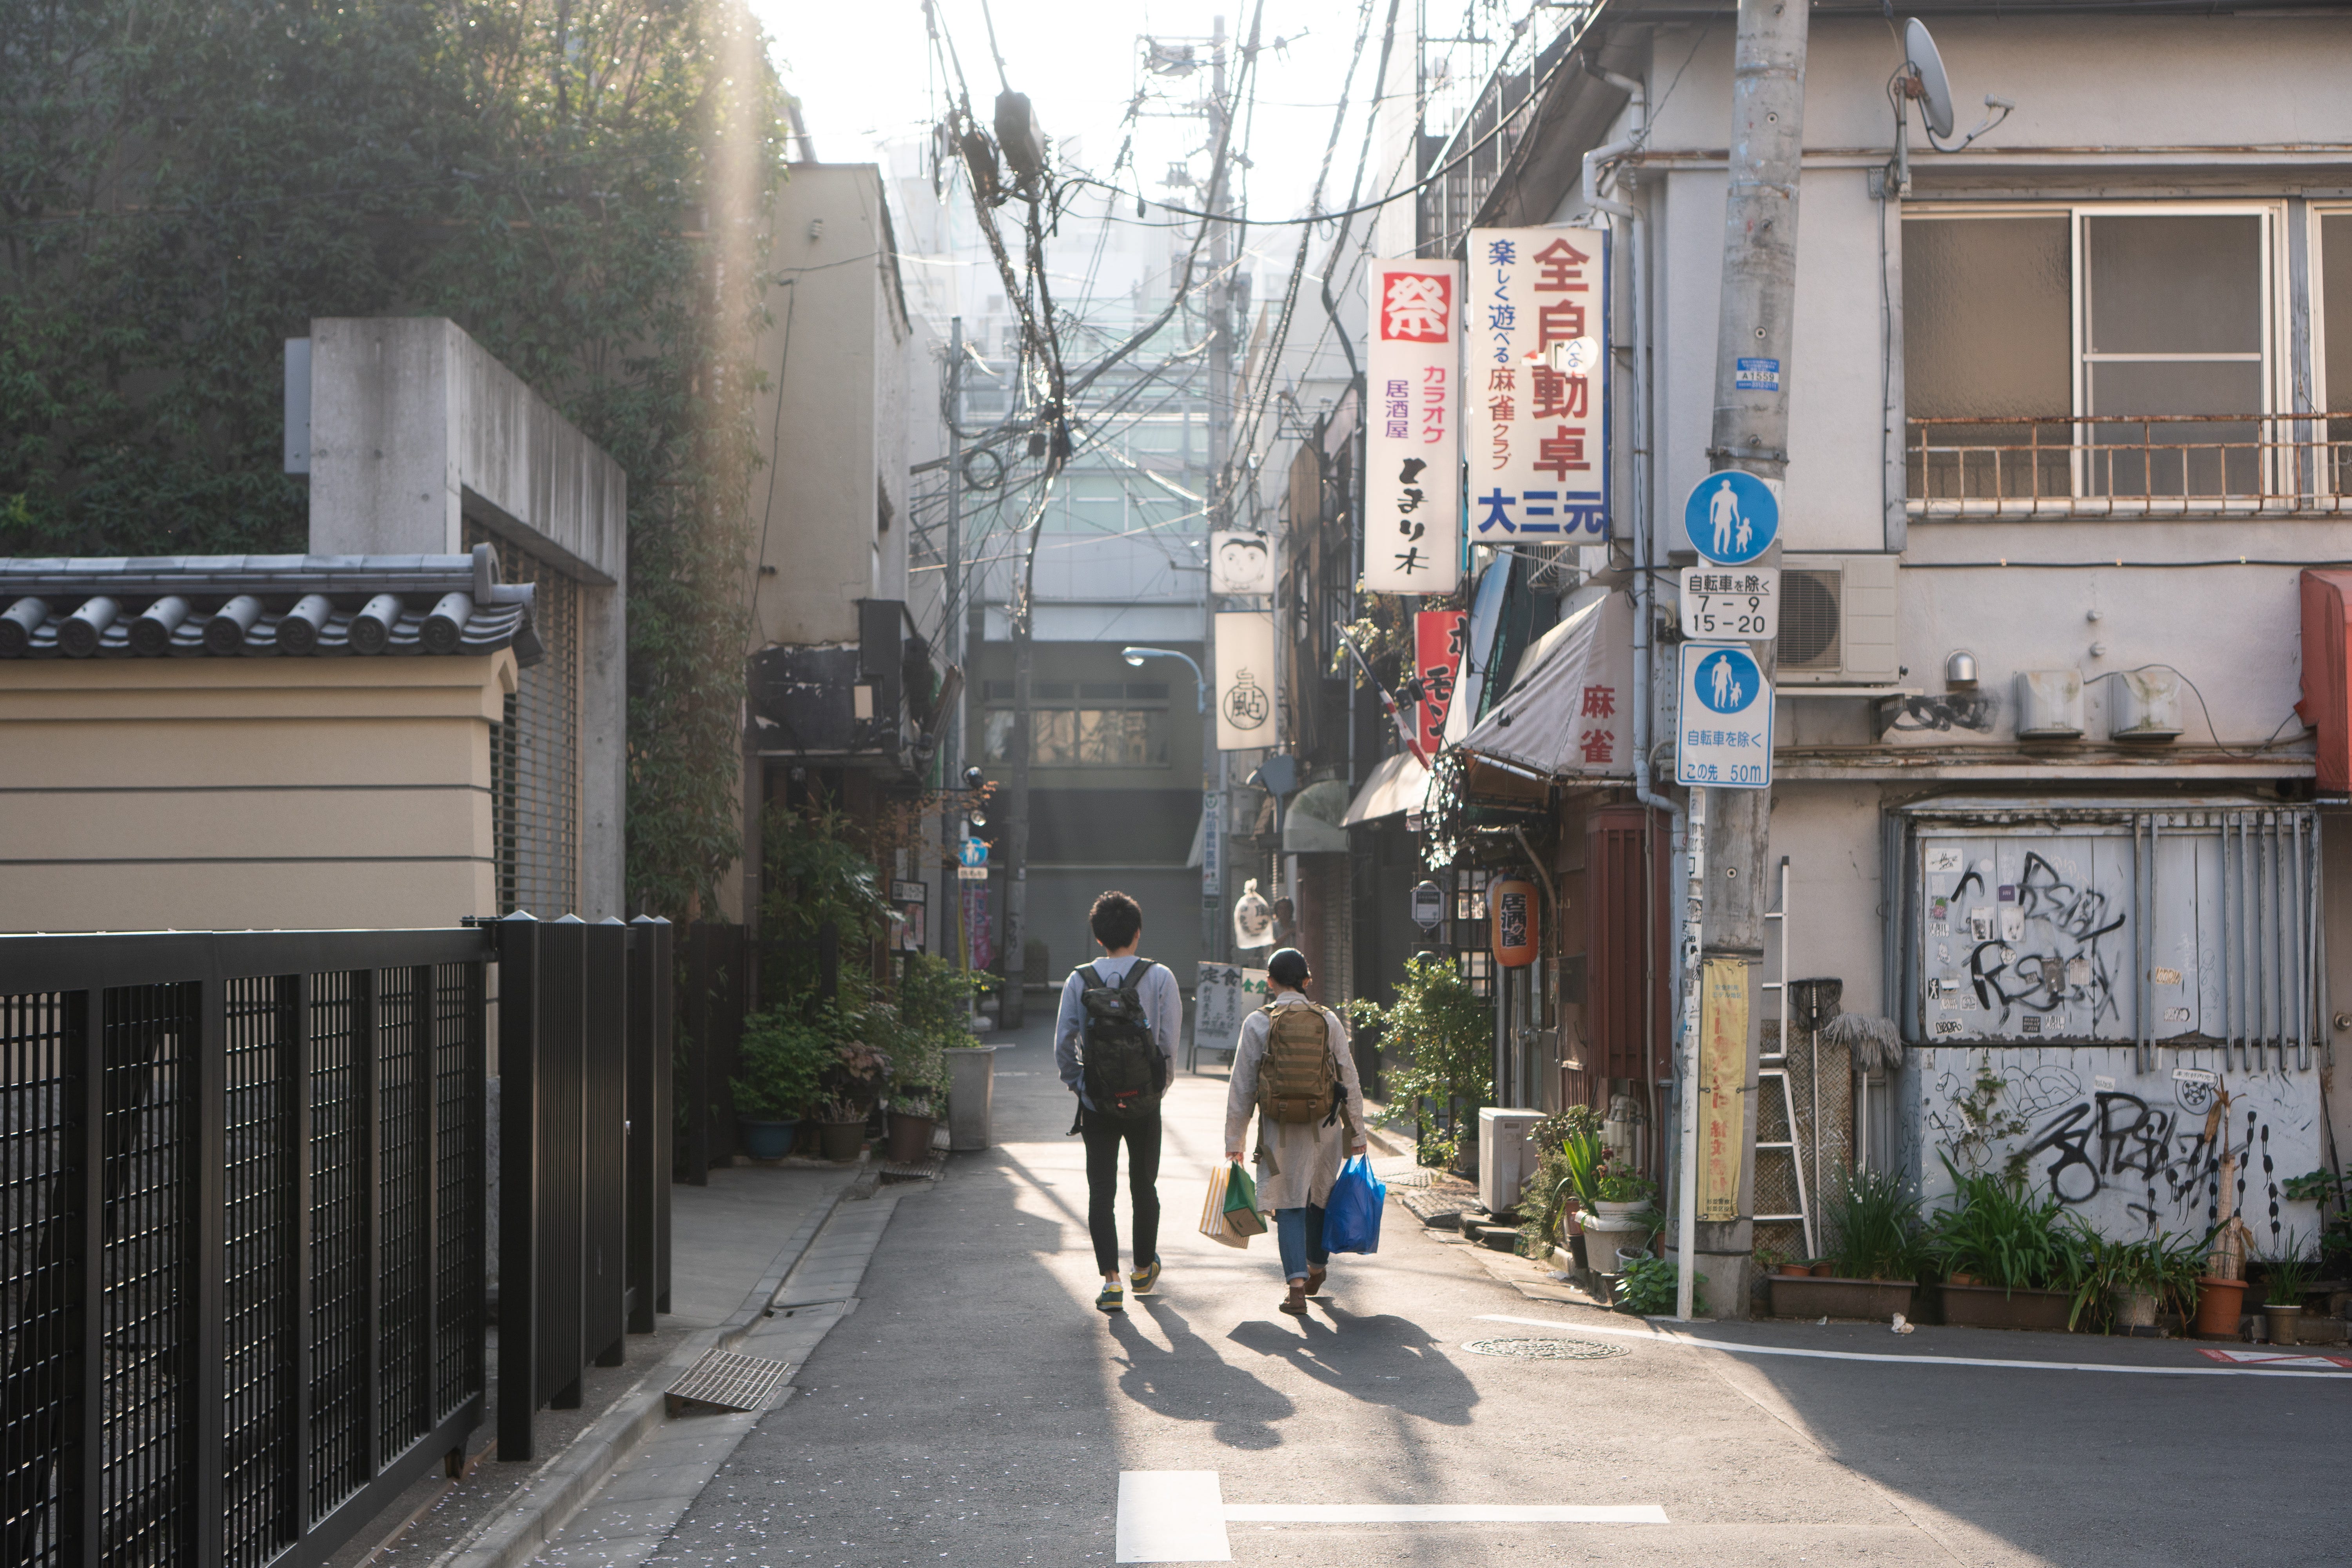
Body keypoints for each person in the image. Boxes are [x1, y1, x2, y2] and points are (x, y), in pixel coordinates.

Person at [1056, 890, 1182, 1315]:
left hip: (1098, 1103)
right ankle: (1144, 1267)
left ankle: (1111, 1281)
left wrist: (1083, 1087)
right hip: (1145, 1101)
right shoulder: (1160, 976)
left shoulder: (1079, 979)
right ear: (1138, 932)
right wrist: (1156, 1089)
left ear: (1098, 937)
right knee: (1144, 1185)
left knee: (1101, 1191)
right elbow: (1168, 1043)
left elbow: (1063, 1046)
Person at [1224, 947, 1368, 1317]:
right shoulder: (1328, 1020)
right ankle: (1317, 1266)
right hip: (1326, 1125)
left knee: (1288, 1202)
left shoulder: (1258, 1022)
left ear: (1270, 982)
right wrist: (1358, 1133)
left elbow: (1242, 1086)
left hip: (1279, 1128)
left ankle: (1297, 1289)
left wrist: (1234, 1141)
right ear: (1307, 981)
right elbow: (1347, 1077)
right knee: (1321, 1196)